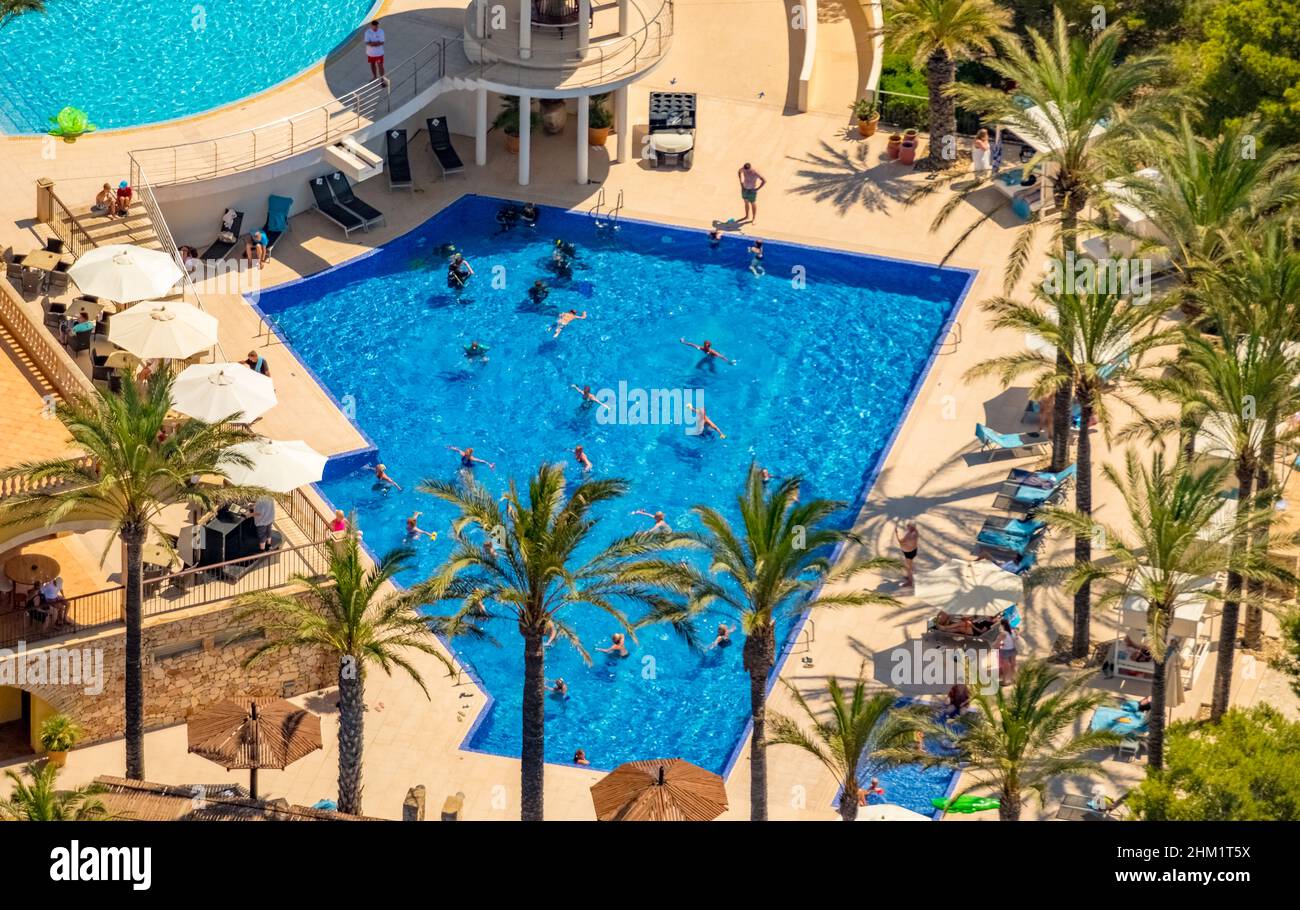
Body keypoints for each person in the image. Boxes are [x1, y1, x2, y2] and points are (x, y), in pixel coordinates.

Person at [895, 521, 918, 587]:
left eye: (908, 526)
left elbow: (900, 541)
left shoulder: (910, 535)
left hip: (909, 553)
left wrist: (896, 533)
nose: (907, 527)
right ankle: (909, 577)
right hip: (912, 551)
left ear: (911, 527)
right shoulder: (914, 532)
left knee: (908, 567)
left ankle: (909, 582)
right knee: (909, 565)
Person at [996, 617, 1018, 685]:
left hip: (1005, 651)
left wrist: (998, 646)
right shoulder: (1013, 631)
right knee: (1013, 665)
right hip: (1013, 649)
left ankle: (1005, 681)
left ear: (1002, 625)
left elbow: (997, 643)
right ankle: (1014, 679)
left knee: (1006, 667)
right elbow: (1015, 639)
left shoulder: (1003, 633)